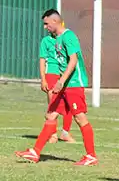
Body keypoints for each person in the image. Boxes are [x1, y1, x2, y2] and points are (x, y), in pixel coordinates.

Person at [16, 9, 98, 166]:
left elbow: (73, 61)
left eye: (46, 24)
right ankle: (35, 152)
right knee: (51, 115)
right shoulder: (57, 39)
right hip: (63, 85)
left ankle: (91, 155)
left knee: (80, 118)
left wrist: (62, 80)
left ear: (55, 21)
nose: (45, 27)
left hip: (73, 84)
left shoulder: (69, 36)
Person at [38, 25, 75, 145]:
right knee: (53, 104)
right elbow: (42, 59)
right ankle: (52, 134)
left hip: (64, 74)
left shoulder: (65, 38)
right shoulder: (46, 41)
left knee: (68, 103)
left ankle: (65, 132)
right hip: (52, 73)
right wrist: (43, 79)